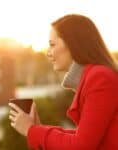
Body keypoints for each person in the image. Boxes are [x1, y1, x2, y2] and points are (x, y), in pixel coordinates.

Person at [9, 14, 118, 150]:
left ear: (73, 44)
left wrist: (31, 130)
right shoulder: (96, 76)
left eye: (52, 45)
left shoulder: (100, 78)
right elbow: (83, 137)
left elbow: (81, 145)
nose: (48, 53)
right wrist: (37, 129)